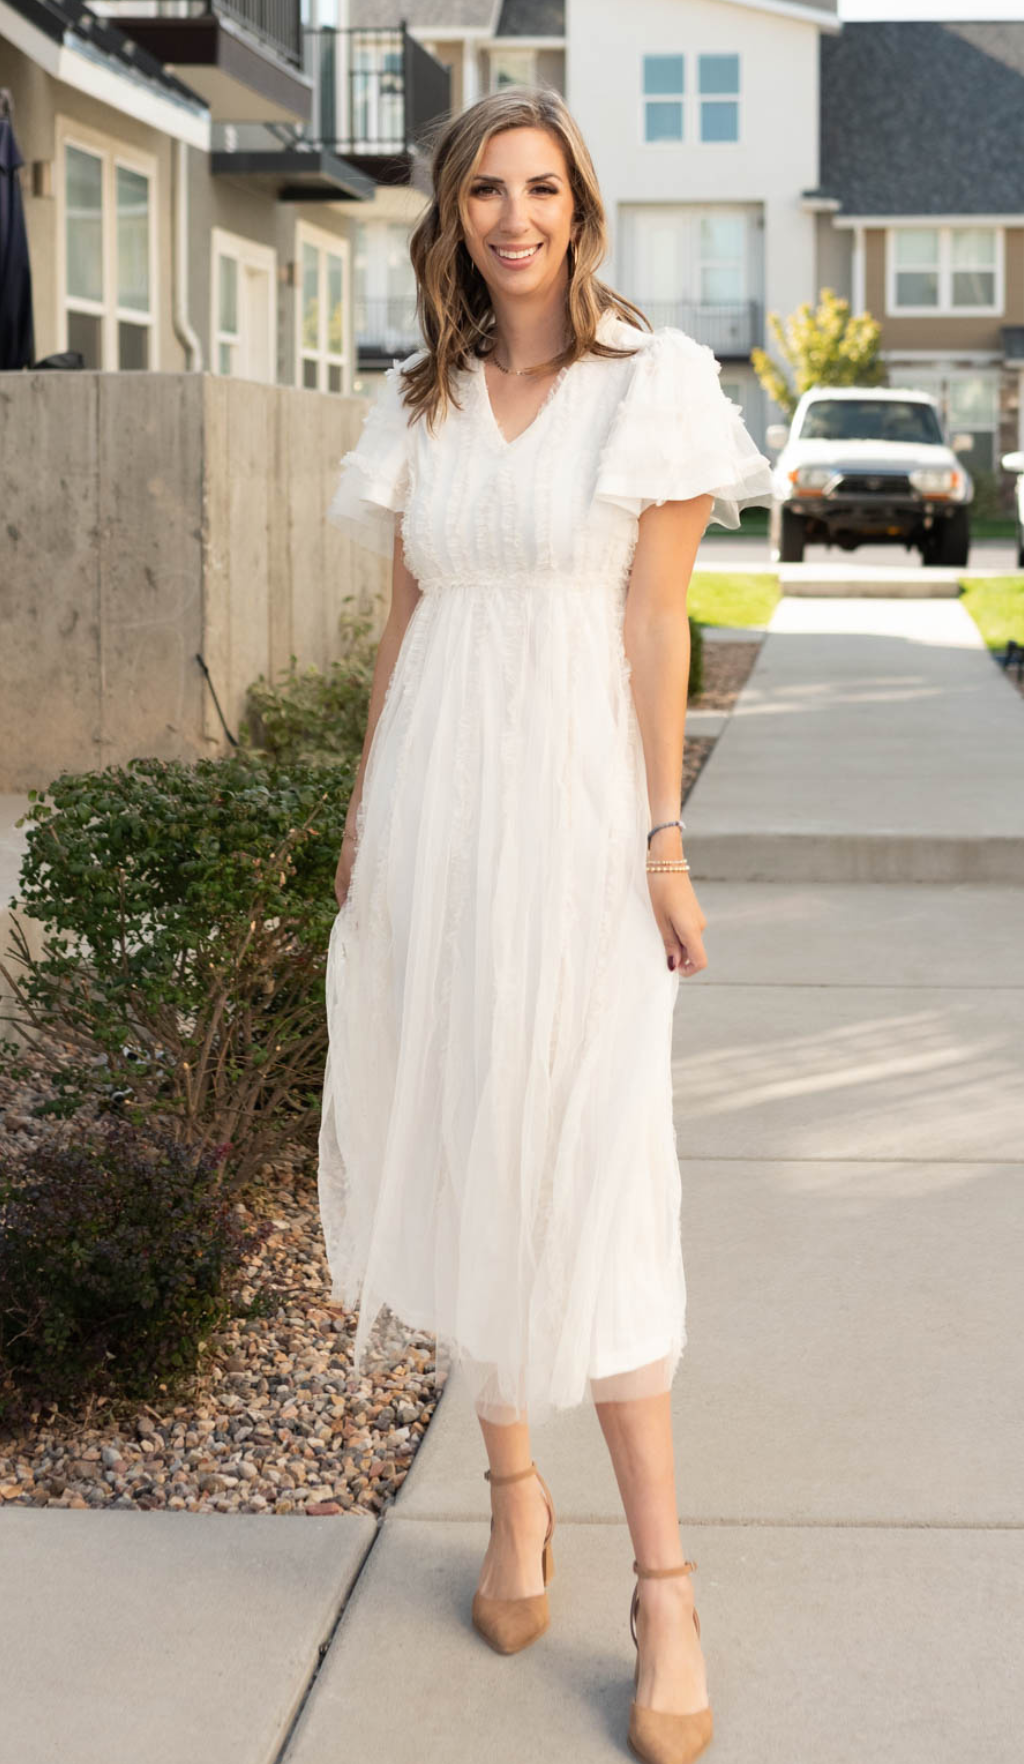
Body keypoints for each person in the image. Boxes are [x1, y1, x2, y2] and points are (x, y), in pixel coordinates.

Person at [318, 85, 772, 1763]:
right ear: (449, 219)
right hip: (436, 814)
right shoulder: (417, 397)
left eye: (544, 188)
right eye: (486, 191)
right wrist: (366, 824)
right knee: (460, 1135)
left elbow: (661, 626)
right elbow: (403, 626)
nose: (516, 216)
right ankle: (512, 1499)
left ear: (579, 208)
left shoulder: (649, 383)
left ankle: (665, 1583)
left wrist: (662, 836)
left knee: (586, 1159)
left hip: (579, 815)